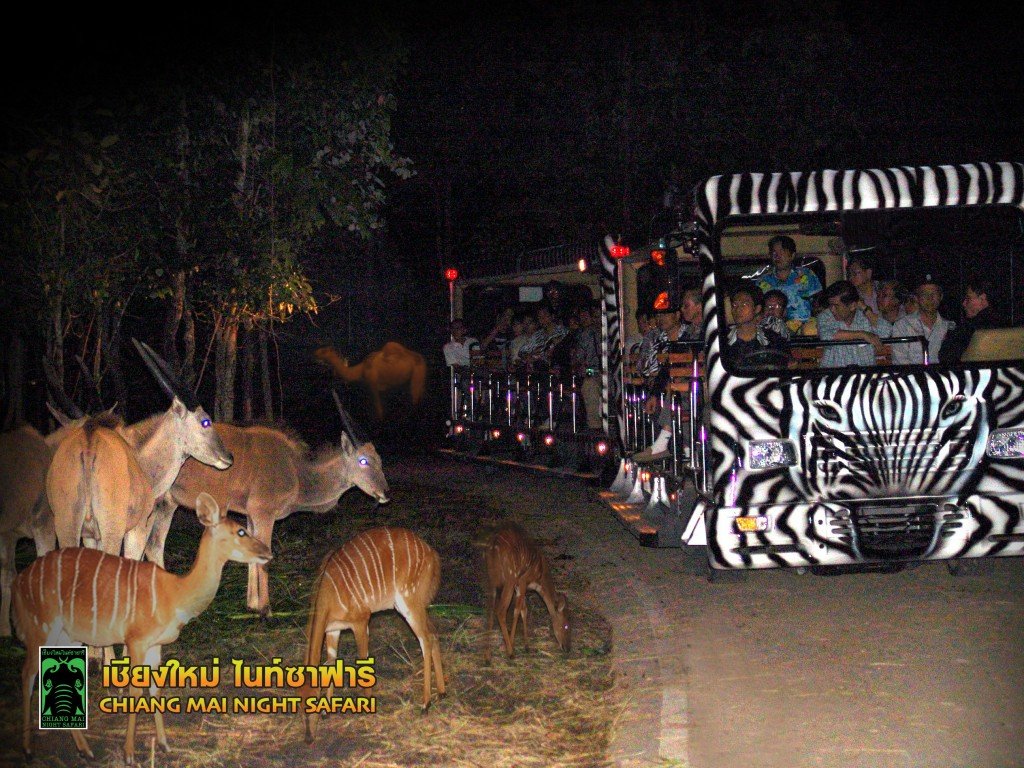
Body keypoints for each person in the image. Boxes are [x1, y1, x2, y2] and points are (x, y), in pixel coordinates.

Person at [633, 304, 689, 462]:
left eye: (665, 314)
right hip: (662, 384)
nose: (660, 319)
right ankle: (683, 448)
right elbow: (644, 367)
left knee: (675, 388)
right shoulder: (655, 337)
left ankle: (667, 444)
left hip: (688, 383)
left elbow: (681, 364)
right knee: (669, 390)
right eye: (658, 315)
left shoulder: (690, 333)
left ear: (677, 315)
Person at [757, 235, 823, 330]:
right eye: (773, 252)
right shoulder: (762, 281)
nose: (777, 256)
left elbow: (818, 303)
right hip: (774, 330)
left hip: (805, 330)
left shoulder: (806, 275)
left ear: (792, 255)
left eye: (781, 252)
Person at [816, 281, 887, 367]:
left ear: (852, 306)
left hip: (865, 375)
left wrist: (864, 308)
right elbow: (826, 336)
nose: (832, 309)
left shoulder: (864, 317)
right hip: (834, 376)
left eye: (836, 306)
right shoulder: (825, 316)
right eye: (830, 305)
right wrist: (862, 334)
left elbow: (886, 331)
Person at [939, 278, 1005, 364]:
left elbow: (946, 356)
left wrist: (948, 339)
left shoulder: (971, 328)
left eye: (968, 298)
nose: (964, 303)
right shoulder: (1003, 324)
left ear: (982, 299)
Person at [891, 277, 953, 365]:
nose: (929, 298)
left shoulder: (949, 327)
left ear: (941, 296)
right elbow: (900, 362)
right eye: (924, 294)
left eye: (934, 294)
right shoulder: (902, 325)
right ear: (917, 298)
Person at [725, 283, 787, 369]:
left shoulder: (773, 338)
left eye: (744, 304)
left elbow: (785, 365)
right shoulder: (722, 338)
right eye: (734, 305)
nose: (738, 309)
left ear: (757, 309)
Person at [571, 304, 603, 429]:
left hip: (614, 373)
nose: (596, 319)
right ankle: (595, 425)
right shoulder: (586, 335)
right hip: (593, 371)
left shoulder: (615, 333)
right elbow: (579, 360)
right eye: (594, 316)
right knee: (589, 383)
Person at [481, 306, 515, 371]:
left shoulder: (512, 334)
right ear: (499, 316)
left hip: (507, 370)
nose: (507, 318)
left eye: (510, 316)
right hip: (490, 369)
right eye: (505, 315)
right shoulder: (489, 330)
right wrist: (496, 330)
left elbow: (512, 353)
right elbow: (482, 347)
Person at [625, 309, 653, 374]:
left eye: (648, 321)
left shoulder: (660, 338)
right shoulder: (631, 341)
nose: (646, 325)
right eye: (642, 322)